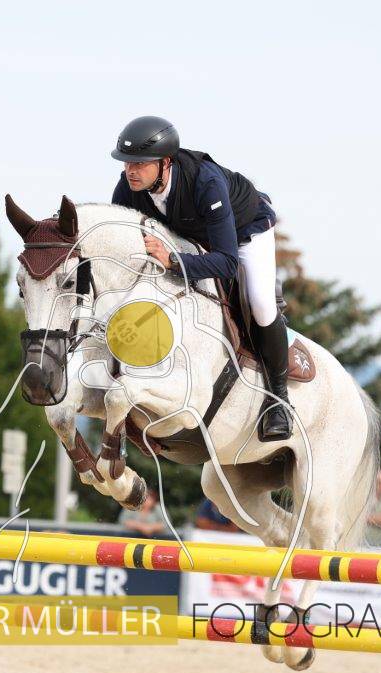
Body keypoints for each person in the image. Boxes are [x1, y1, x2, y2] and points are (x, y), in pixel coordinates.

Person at [109, 116, 290, 442]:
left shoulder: (205, 182)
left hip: (245, 234)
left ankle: (279, 401)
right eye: (127, 163)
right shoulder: (128, 189)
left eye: (140, 163)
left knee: (261, 305)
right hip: (193, 237)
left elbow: (226, 262)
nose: (130, 171)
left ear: (165, 162)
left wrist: (172, 260)